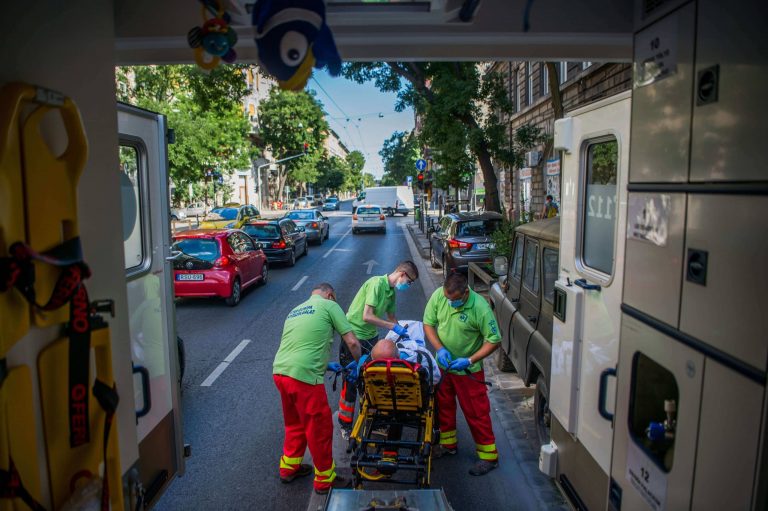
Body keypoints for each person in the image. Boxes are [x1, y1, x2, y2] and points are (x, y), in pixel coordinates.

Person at [272, 283, 363, 495]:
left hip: (281, 372)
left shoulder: (295, 310)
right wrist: (361, 363)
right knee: (319, 428)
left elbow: (301, 344)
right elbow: (351, 342)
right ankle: (325, 479)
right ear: (330, 295)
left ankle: (289, 468)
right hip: (304, 377)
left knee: (294, 423)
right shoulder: (330, 306)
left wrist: (324, 365)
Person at [424, 272, 502, 476]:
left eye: (454, 300)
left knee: (476, 412)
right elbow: (428, 324)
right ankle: (448, 445)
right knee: (444, 407)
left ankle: (488, 457)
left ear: (465, 293)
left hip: (467, 371)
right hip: (445, 367)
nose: (450, 303)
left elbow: (494, 340)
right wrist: (439, 348)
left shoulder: (480, 308)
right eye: (447, 298)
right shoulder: (439, 296)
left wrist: (469, 360)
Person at [337, 261, 419, 438]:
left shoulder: (391, 293)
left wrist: (404, 335)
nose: (408, 285)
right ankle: (345, 424)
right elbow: (367, 316)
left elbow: (392, 317)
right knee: (352, 380)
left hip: (370, 338)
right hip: (354, 336)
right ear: (402, 274)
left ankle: (369, 419)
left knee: (372, 378)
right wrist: (392, 327)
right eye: (410, 282)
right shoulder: (377, 283)